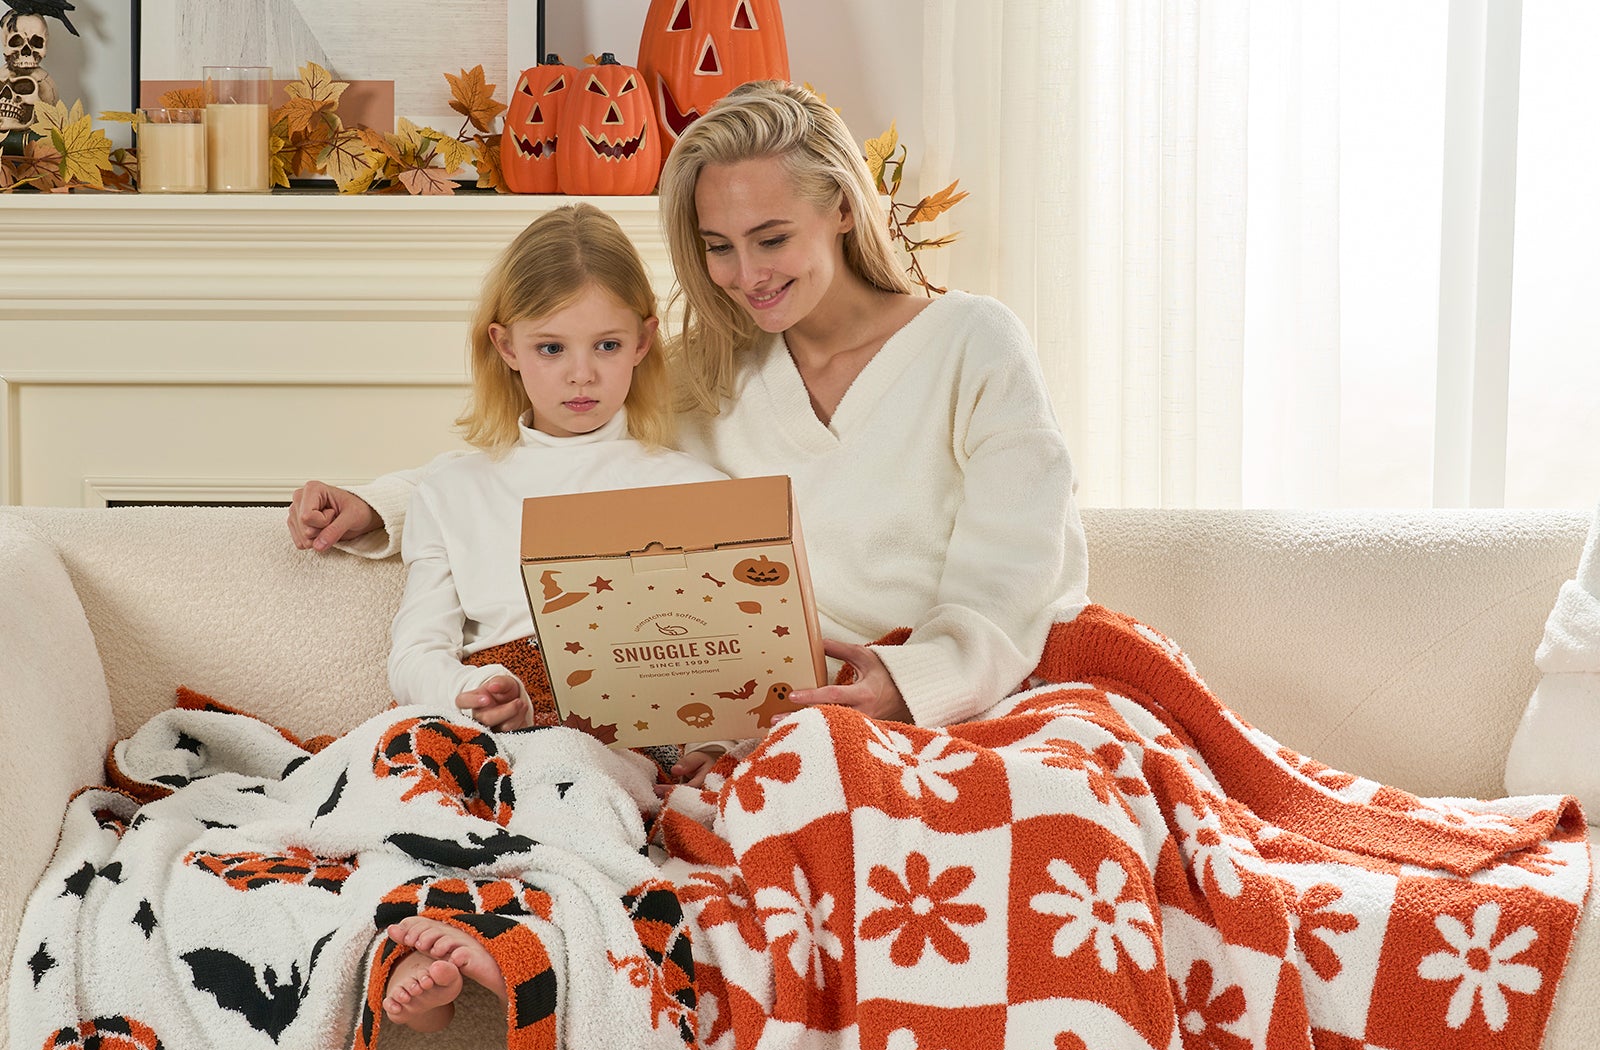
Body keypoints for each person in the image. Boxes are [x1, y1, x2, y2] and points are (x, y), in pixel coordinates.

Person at [287, 81, 1089, 782]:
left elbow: (1016, 569)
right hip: (763, 714)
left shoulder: (973, 343)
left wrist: (911, 683)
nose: (748, 275)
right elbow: (552, 453)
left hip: (939, 691)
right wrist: (377, 505)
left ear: (844, 206)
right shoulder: (704, 371)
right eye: (718, 248)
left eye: (772, 239)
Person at [375, 202, 724, 1031]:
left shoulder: (688, 484)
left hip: (616, 734)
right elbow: (413, 654)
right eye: (552, 349)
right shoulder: (451, 490)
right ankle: (431, 939)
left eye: (606, 347)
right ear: (505, 349)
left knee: (573, 781)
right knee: (399, 772)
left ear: (643, 342)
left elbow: (720, 646)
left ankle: (510, 944)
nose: (581, 375)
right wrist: (472, 687)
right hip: (490, 725)